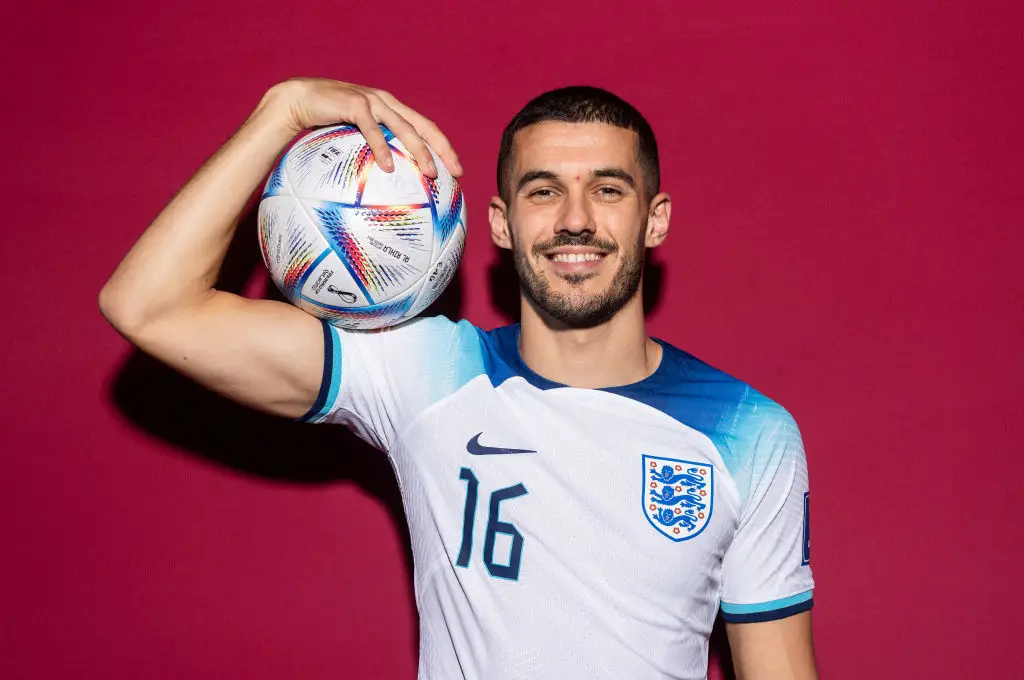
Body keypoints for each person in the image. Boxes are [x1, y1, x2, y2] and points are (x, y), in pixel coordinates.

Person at [99, 77, 818, 680]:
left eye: (607, 190)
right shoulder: (425, 374)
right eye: (543, 192)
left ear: (654, 220)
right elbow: (148, 305)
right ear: (499, 224)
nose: (574, 220)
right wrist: (280, 111)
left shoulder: (751, 432)